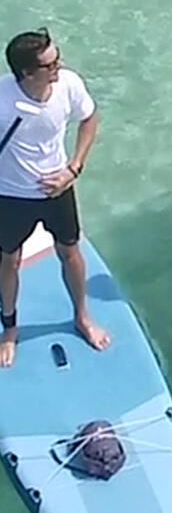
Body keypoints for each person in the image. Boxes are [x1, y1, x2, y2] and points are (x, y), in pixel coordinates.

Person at [0, 29, 109, 367]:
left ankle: (82, 316)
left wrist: (73, 168)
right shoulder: (3, 99)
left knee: (71, 253)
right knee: (9, 261)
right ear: (27, 73)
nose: (59, 67)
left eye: (57, 58)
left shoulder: (69, 84)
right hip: (11, 194)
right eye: (50, 64)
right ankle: (10, 328)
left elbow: (90, 117)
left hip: (59, 188)